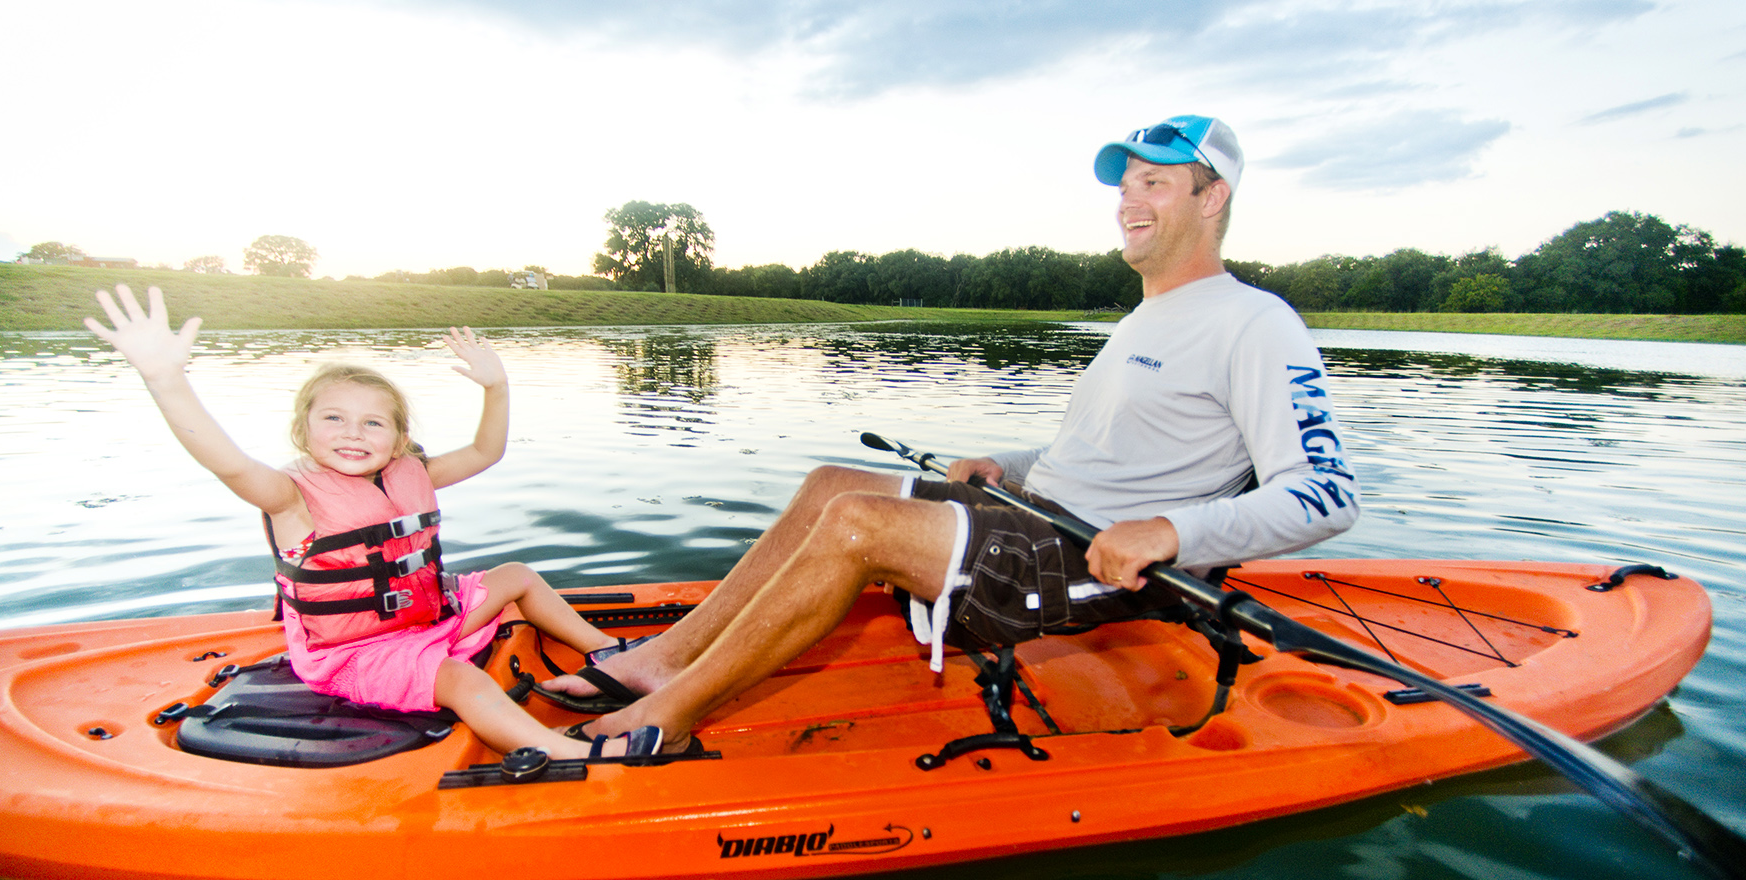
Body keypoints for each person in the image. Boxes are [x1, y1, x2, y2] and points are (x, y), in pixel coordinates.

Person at [539, 114, 1360, 753]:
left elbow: (1324, 495)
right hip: (1035, 514)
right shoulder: (1149, 317)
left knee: (858, 525)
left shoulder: (1257, 323)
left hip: (1094, 561)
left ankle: (670, 717)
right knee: (833, 486)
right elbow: (1099, 453)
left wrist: (1173, 530)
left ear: (1212, 198)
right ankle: (661, 659)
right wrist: (1002, 464)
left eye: (1155, 183)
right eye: (1125, 185)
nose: (1128, 201)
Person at [85, 285, 662, 761]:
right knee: (462, 682)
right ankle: (566, 751)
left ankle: (609, 653)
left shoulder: (409, 472)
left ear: (398, 439)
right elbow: (225, 461)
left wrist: (497, 386)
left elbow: (487, 451)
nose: (353, 433)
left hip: (427, 620)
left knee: (517, 574)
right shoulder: (290, 497)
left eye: (372, 424)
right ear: (303, 430)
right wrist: (165, 379)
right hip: (354, 656)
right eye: (334, 418)